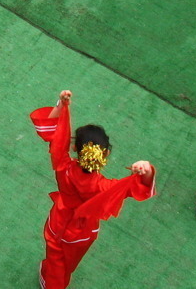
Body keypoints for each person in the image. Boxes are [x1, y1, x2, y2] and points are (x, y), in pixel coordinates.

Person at [31, 89, 155, 288]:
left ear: (74, 148)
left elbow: (56, 136)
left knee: (56, 264)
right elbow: (136, 187)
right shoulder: (104, 187)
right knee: (68, 264)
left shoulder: (63, 166)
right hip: (84, 232)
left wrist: (62, 107)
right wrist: (146, 170)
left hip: (60, 222)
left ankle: (52, 282)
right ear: (105, 154)